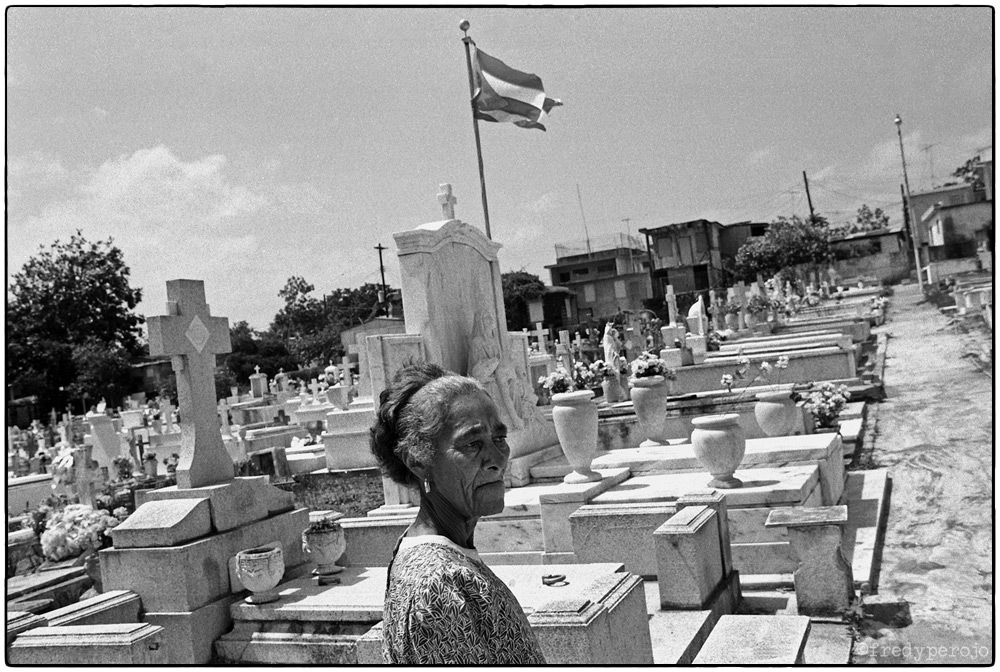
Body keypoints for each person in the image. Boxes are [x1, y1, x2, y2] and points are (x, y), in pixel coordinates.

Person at [370, 362, 546, 664]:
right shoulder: (439, 586)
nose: (497, 460)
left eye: (499, 439)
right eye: (473, 443)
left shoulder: (446, 558)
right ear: (419, 461)